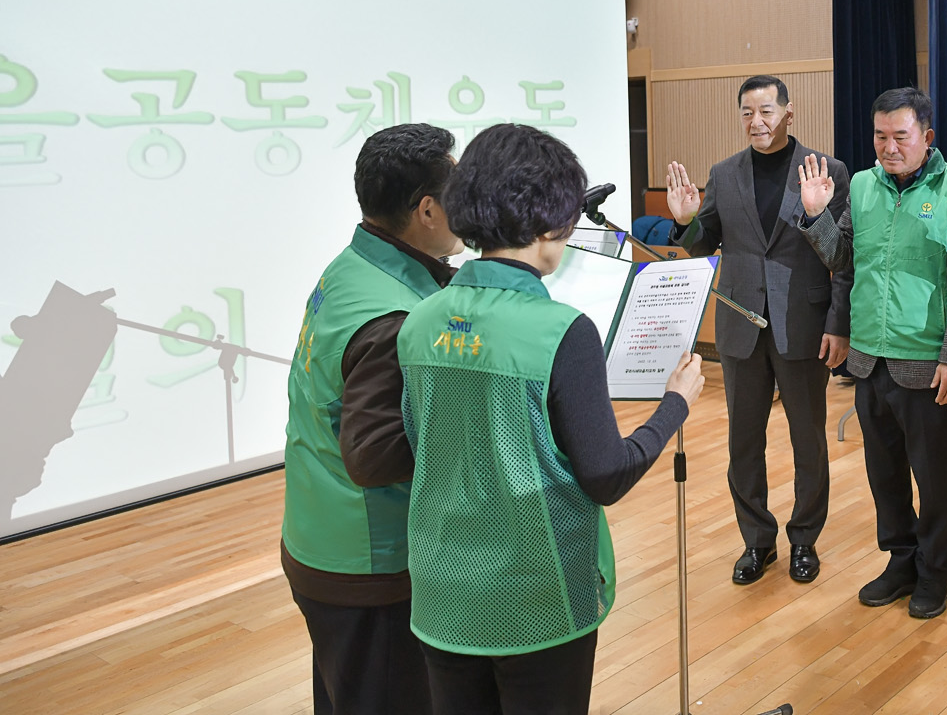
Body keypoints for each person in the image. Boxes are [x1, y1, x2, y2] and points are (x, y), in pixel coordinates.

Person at [397, 124, 705, 715]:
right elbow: (607, 475)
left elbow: (422, 447)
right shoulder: (563, 331)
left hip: (440, 591)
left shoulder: (420, 320)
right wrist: (675, 403)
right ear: (547, 223)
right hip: (536, 594)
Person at [281, 123, 461, 715]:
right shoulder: (391, 317)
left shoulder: (354, 266)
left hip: (319, 534)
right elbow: (375, 456)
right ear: (427, 210)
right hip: (367, 562)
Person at [798, 87, 947, 620]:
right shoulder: (861, 185)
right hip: (869, 358)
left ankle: (936, 570)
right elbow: (844, 261)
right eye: (880, 136)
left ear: (927, 136)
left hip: (928, 363)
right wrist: (816, 215)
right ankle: (901, 561)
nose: (889, 147)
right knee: (884, 474)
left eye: (900, 136)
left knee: (934, 476)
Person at [664, 75, 852, 585]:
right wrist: (684, 223)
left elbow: (841, 258)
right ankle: (757, 541)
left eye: (766, 111)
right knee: (743, 442)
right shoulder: (724, 174)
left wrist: (838, 324)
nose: (756, 122)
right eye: (747, 112)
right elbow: (703, 243)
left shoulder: (826, 170)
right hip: (740, 327)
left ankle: (805, 539)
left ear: (789, 112)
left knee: (808, 441)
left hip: (803, 324)